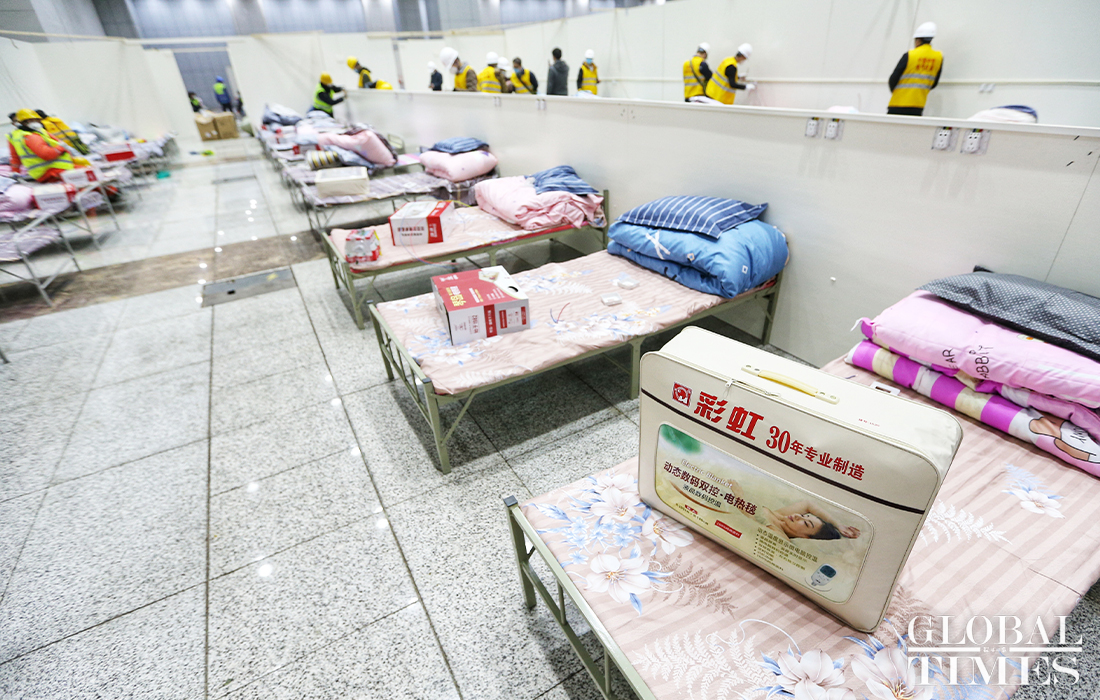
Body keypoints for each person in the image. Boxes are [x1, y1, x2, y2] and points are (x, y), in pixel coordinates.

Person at [6, 109, 81, 182]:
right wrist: (61, 148)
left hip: (54, 168)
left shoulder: (39, 131)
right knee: (85, 174)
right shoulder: (29, 136)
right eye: (30, 120)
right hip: (51, 171)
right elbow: (47, 154)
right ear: (22, 123)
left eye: (36, 120)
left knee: (84, 168)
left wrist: (15, 172)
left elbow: (58, 142)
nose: (34, 122)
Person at [887, 22, 943, 116]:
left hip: (897, 104)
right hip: (918, 105)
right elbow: (934, 83)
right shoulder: (938, 57)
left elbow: (893, 79)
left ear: (918, 40)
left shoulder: (910, 55)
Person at [758, 500, 861, 542]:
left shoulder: (777, 533)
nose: (798, 516)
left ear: (805, 537)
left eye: (806, 523)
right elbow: (808, 505)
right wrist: (838, 525)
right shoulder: (781, 516)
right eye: (804, 515)